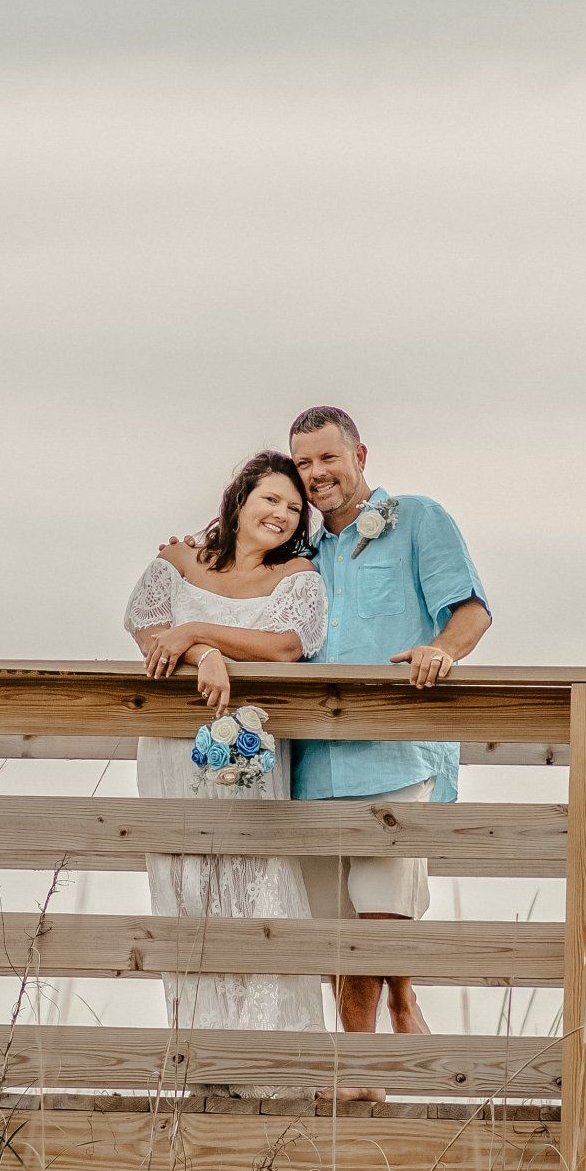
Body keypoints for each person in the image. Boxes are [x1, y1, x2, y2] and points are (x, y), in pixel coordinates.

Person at [282, 404, 490, 1041]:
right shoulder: (301, 550)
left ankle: (358, 1068)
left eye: (327, 457)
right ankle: (399, 1002)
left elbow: (472, 612)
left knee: (380, 909)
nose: (316, 473)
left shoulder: (419, 519)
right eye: (303, 462)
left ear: (360, 456)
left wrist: (441, 649)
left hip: (396, 751)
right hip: (314, 756)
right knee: (327, 923)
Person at [123, 452, 329, 1035]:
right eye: (271, 499)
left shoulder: (297, 579)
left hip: (253, 751)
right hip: (172, 751)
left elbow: (290, 645)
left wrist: (196, 631)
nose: (283, 514)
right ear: (239, 500)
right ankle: (197, 1045)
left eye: (295, 508)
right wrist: (204, 655)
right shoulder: (176, 559)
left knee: (254, 890)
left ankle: (267, 1052)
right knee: (183, 890)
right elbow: (146, 630)